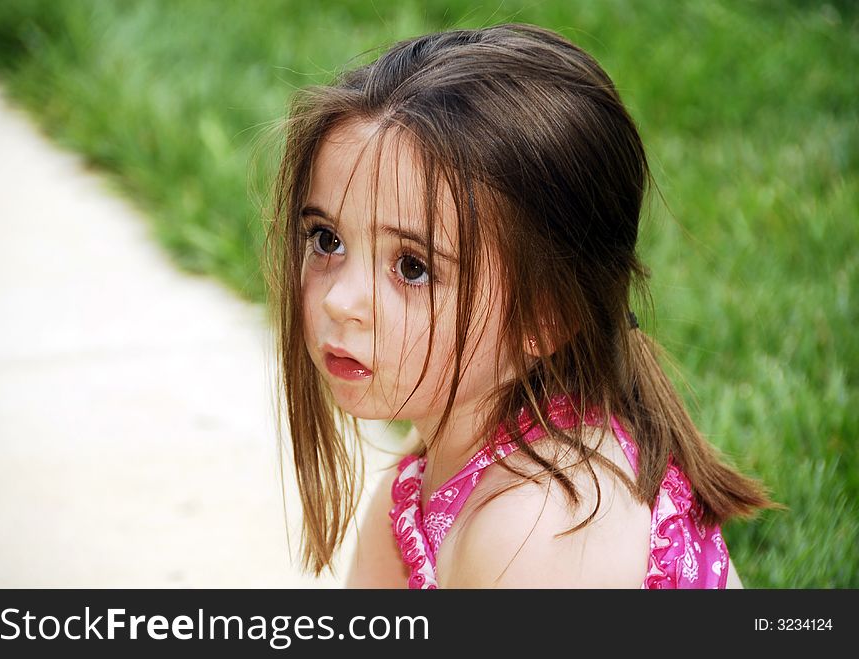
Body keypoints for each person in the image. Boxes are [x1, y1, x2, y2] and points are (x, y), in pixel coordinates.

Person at [266, 22, 776, 588]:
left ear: (546, 315)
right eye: (326, 240)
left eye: (413, 267)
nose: (340, 300)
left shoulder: (541, 528)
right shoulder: (447, 443)